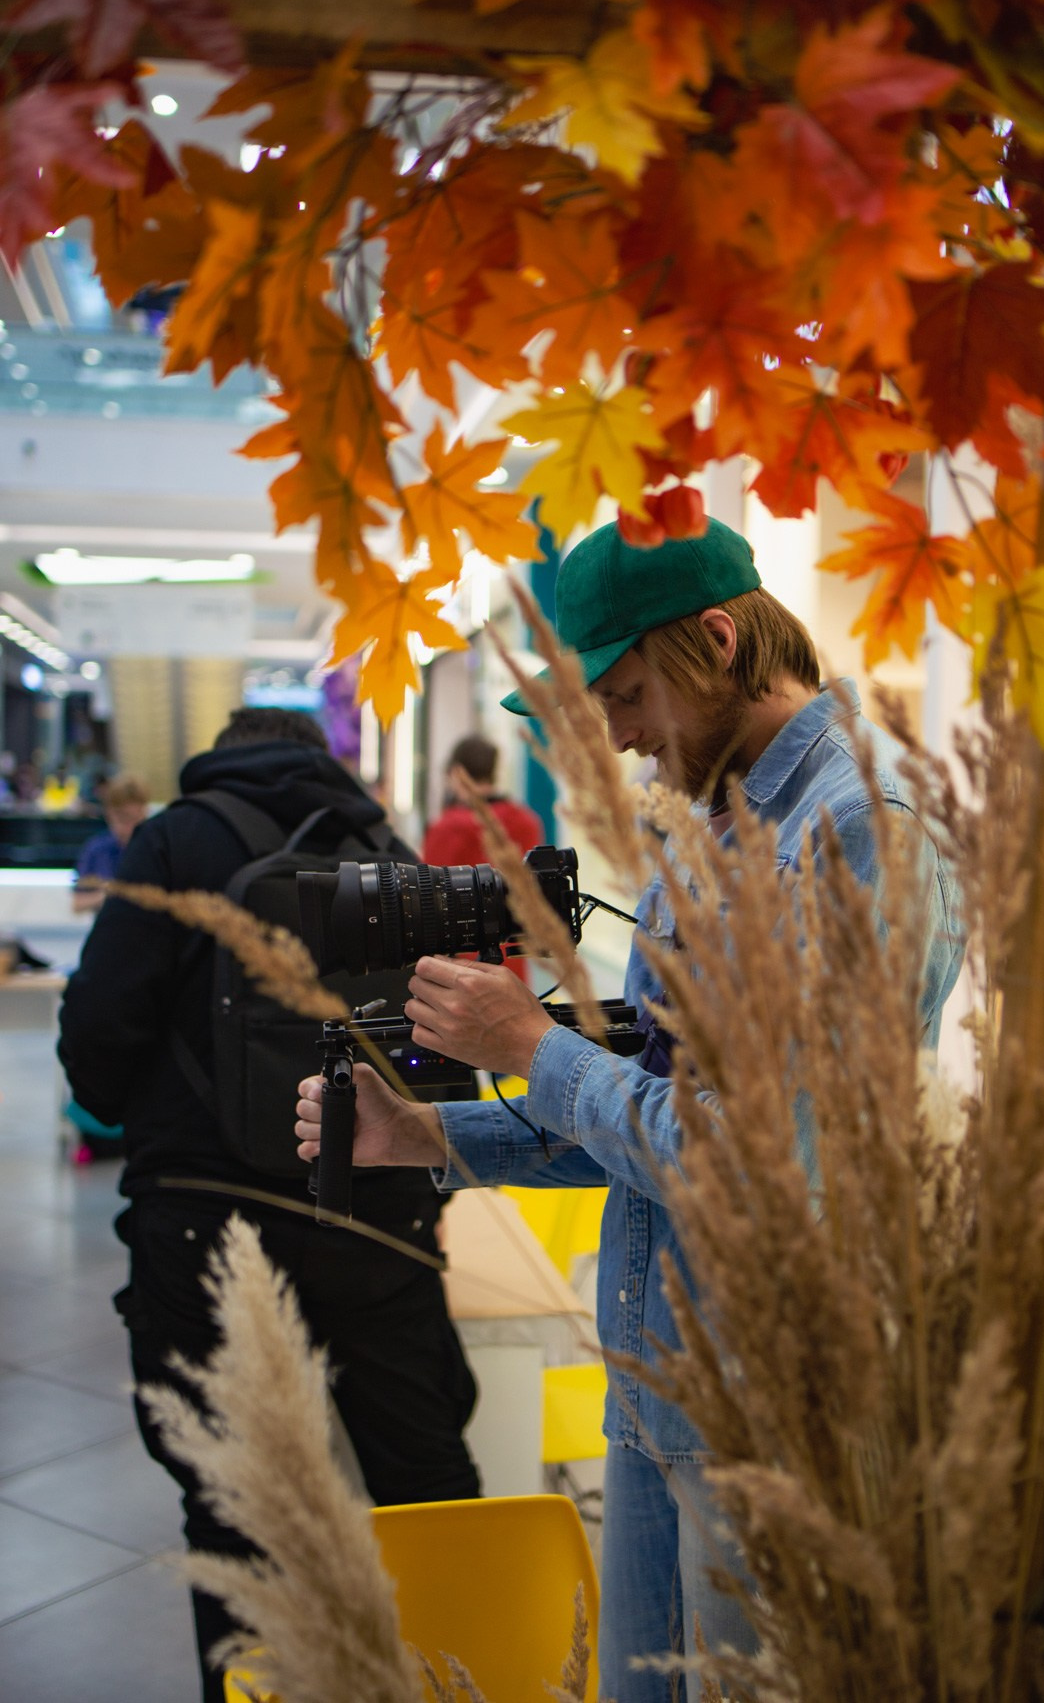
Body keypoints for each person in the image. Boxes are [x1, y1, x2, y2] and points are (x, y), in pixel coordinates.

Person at [296, 520, 965, 1703]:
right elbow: (649, 1125)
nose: (615, 737)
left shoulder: (861, 831)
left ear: (720, 638)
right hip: (659, 1392)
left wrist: (532, 1046)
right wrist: (431, 1136)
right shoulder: (712, 832)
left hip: (775, 1419)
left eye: (628, 693)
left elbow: (763, 1170)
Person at [59, 706, 480, 1703]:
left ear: (225, 753)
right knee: (425, 1485)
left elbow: (99, 1029)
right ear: (320, 759)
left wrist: (145, 1116)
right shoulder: (386, 845)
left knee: (233, 1510)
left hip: (205, 1216)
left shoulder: (172, 839)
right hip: (373, 1210)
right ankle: (465, 1675)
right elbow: (443, 1041)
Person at [423, 733, 545, 983]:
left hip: (462, 964)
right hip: (513, 959)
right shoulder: (527, 821)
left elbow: (427, 901)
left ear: (457, 773)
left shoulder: (447, 827)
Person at [72, 772, 150, 913]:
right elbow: (77, 903)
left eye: (135, 819)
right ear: (109, 814)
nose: (129, 828)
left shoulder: (156, 848)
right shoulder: (96, 849)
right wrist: (111, 895)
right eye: (123, 819)